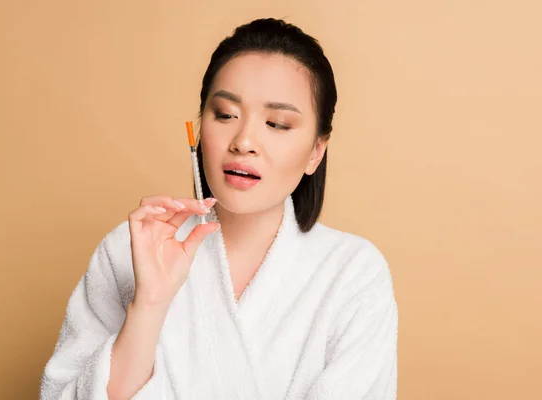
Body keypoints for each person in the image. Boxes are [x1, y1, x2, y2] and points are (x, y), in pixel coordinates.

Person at [40, 18, 398, 400]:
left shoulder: (354, 274)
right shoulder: (125, 251)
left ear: (316, 151)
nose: (243, 141)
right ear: (198, 128)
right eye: (226, 115)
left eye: (277, 123)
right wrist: (149, 304)